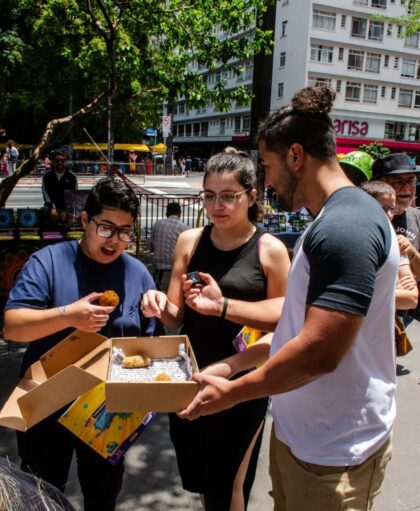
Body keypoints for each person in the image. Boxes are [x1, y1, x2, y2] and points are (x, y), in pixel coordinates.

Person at [180, 87, 400, 511]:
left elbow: (318, 352)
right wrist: (231, 364)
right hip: (305, 438)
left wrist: (232, 392)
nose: (267, 181)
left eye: (266, 166)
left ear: (296, 156)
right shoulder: (329, 221)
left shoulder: (345, 227)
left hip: (335, 451)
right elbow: (293, 327)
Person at [141, 147, 291, 510]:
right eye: (209, 196)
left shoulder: (269, 250)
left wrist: (225, 312)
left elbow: (285, 322)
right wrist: (158, 305)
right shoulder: (190, 241)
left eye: (229, 197)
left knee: (228, 484)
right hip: (190, 378)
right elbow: (176, 317)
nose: (217, 206)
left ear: (251, 196)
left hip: (243, 382)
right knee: (202, 478)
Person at [3, 177, 158, 511]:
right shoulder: (48, 262)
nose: (115, 240)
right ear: (85, 221)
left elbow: (150, 344)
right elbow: (12, 327)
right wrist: (68, 316)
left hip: (109, 411)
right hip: (45, 405)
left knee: (103, 496)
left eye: (125, 231)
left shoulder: (138, 273)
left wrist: (164, 310)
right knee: (41, 496)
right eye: (106, 227)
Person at [360, 180, 418, 311]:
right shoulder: (350, 238)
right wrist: (394, 287)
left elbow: (411, 299)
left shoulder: (394, 243)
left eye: (392, 208)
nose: (389, 214)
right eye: (382, 208)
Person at [149, 202, 190, 292]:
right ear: (180, 213)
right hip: (175, 264)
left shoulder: (158, 224)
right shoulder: (184, 228)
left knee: (157, 279)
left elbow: (151, 245)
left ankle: (156, 288)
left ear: (166, 213)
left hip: (157, 263)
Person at [41, 151, 78, 227]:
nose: (60, 162)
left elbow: (73, 195)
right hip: (51, 206)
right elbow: (45, 193)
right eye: (57, 160)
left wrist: (66, 210)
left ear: (66, 162)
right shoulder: (47, 176)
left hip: (67, 206)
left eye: (63, 160)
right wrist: (52, 208)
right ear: (53, 162)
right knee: (43, 211)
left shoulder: (72, 177)